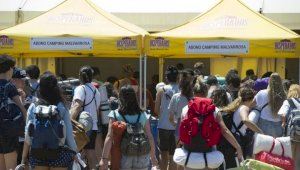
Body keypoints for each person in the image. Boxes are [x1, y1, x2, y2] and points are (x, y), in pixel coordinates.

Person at [179, 79, 243, 170]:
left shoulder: (186, 109)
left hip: (189, 154)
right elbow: (224, 131)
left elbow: (182, 131)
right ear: (206, 93)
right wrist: (238, 147)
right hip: (208, 155)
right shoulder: (214, 109)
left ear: (193, 92)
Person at [21, 73, 77, 169]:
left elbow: (28, 134)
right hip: (60, 154)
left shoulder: (34, 106)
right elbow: (68, 134)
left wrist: (23, 158)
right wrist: (75, 152)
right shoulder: (61, 106)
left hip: (37, 153)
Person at [99, 85, 158, 170]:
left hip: (123, 154)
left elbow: (109, 137)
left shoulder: (115, 114)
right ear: (134, 98)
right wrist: (153, 157)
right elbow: (150, 137)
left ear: (120, 98)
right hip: (141, 153)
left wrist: (104, 159)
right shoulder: (143, 114)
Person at [70, 66, 101, 169]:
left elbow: (77, 106)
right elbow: (96, 110)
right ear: (92, 77)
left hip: (81, 127)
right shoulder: (96, 91)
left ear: (80, 76)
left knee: (72, 152)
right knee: (90, 151)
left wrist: (69, 121)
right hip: (93, 126)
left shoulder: (80, 88)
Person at [0, 55, 27, 170]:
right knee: (11, 167)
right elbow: (21, 108)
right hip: (8, 131)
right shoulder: (9, 86)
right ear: (10, 69)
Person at [222, 87, 263, 159]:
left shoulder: (238, 106)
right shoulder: (244, 107)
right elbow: (245, 120)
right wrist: (259, 131)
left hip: (234, 136)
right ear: (252, 99)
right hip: (238, 138)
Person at [155, 66, 179, 170]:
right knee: (174, 155)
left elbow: (156, 110)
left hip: (163, 126)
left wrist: (163, 115)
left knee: (163, 154)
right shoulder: (182, 89)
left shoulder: (161, 90)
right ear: (178, 77)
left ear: (166, 77)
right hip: (177, 126)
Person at [253, 73, 286, 137]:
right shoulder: (284, 95)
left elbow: (252, 104)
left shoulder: (262, 93)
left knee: (264, 146)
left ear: (269, 81)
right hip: (279, 125)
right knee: (276, 146)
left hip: (264, 124)